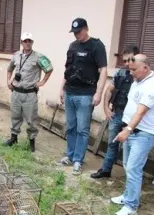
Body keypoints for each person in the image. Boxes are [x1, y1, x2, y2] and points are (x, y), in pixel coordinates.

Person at [110, 54, 154, 215]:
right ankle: (127, 196)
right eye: (129, 69)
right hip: (131, 130)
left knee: (133, 168)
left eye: (134, 70)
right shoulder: (137, 82)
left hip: (143, 133)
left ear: (145, 68)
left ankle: (131, 207)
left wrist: (128, 129)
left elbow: (141, 111)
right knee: (127, 166)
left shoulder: (153, 86)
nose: (131, 73)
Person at [60, 18, 108, 175]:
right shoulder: (72, 46)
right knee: (71, 126)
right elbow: (67, 69)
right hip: (70, 92)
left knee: (82, 129)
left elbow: (103, 71)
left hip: (86, 95)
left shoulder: (96, 46)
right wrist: (62, 89)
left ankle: (78, 160)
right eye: (74, 33)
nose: (77, 35)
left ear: (86, 29)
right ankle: (70, 155)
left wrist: (98, 93)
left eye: (79, 32)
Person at [91, 45, 139, 179]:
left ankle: (132, 177)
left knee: (132, 147)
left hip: (133, 118)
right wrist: (106, 108)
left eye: (130, 60)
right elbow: (109, 90)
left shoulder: (141, 76)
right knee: (112, 143)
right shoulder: (121, 73)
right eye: (124, 61)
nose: (127, 64)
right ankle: (106, 170)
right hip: (117, 113)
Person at [4, 32, 54, 152]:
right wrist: (8, 81)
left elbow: (49, 69)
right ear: (21, 42)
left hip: (30, 93)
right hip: (16, 92)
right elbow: (10, 69)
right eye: (25, 41)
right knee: (15, 117)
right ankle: (13, 138)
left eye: (29, 41)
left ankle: (31, 142)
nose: (27, 43)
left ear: (32, 43)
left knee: (31, 120)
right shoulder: (16, 55)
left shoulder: (39, 57)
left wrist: (42, 82)